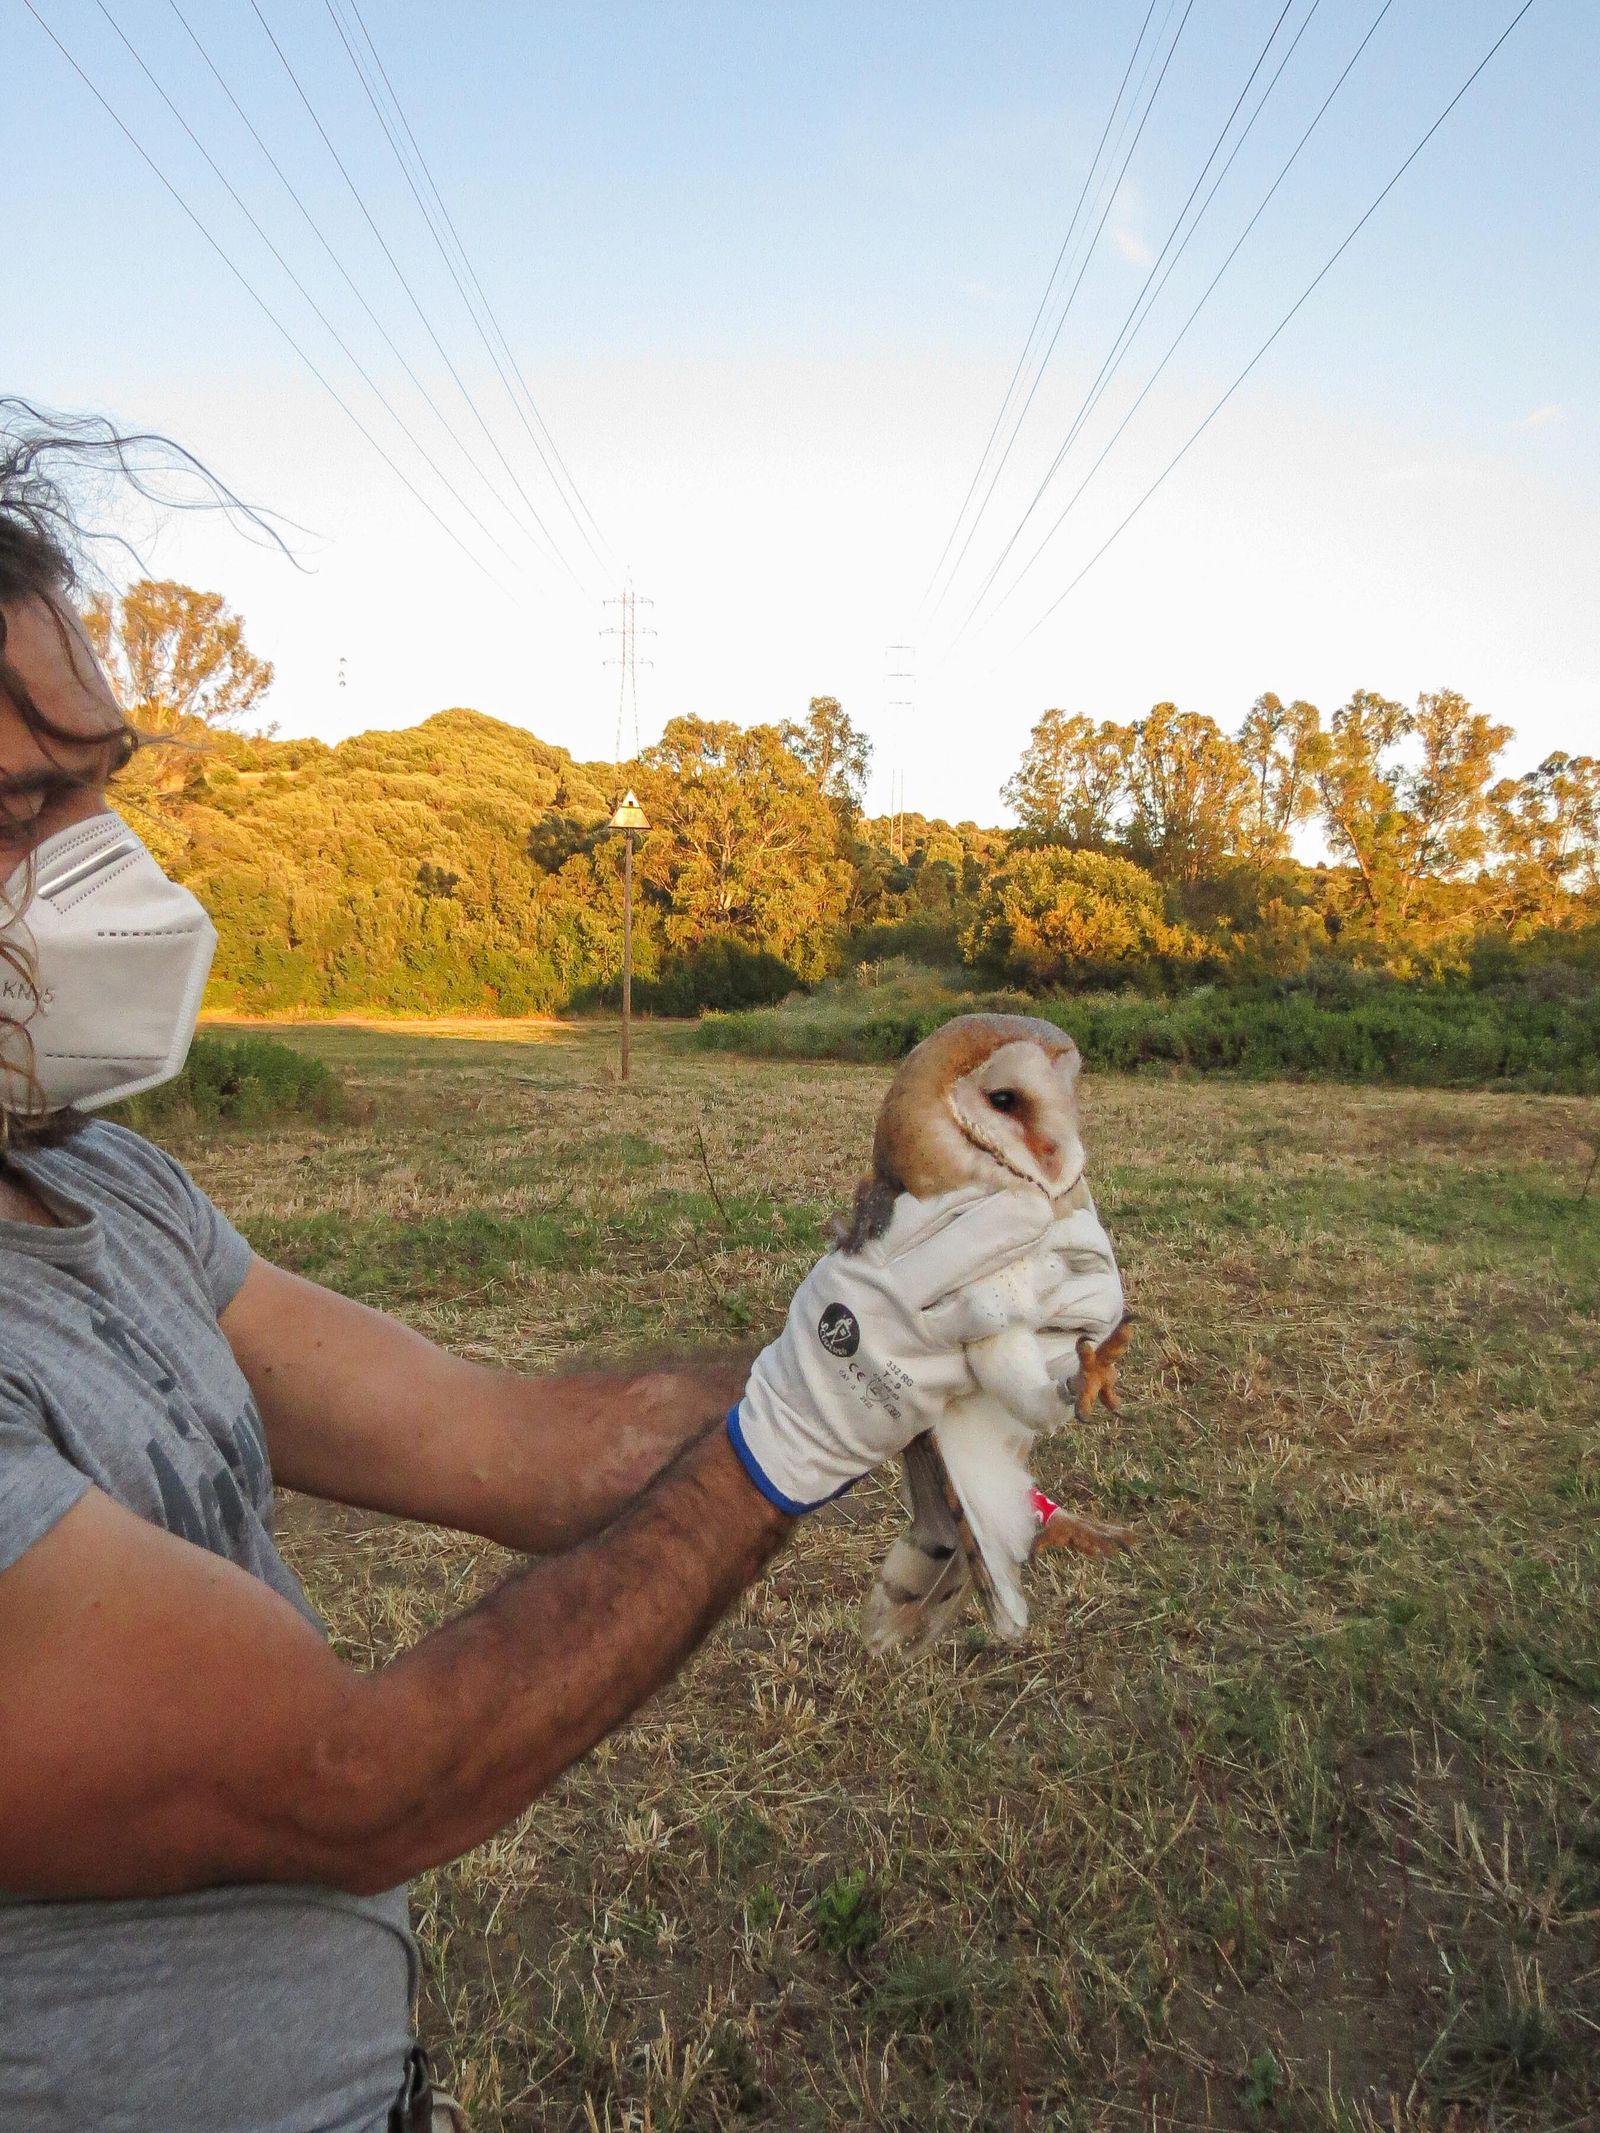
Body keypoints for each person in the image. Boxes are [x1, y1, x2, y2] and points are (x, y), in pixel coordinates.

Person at [0, 409, 1124, 2133]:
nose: (112, 870)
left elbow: (499, 1437)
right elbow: (354, 1778)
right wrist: (783, 1434)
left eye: (101, 789)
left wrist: (895, 1331)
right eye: (28, 803)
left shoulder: (106, 1189)